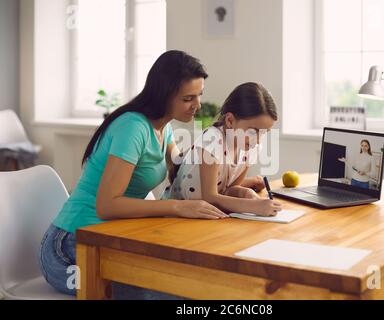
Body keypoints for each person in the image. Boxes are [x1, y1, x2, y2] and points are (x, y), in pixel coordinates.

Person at [39, 50, 229, 299]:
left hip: (114, 240)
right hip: (71, 246)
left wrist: (234, 167)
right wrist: (176, 208)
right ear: (164, 95)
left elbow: (185, 170)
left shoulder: (164, 128)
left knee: (193, 282)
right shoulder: (133, 127)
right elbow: (107, 206)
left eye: (199, 95)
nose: (197, 105)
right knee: (172, 294)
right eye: (188, 98)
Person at [163, 82, 283, 217]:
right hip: (174, 217)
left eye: (264, 132)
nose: (258, 141)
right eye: (252, 131)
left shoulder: (251, 148)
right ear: (230, 121)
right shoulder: (212, 140)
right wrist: (253, 206)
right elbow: (210, 198)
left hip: (206, 218)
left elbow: (228, 189)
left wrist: (250, 195)